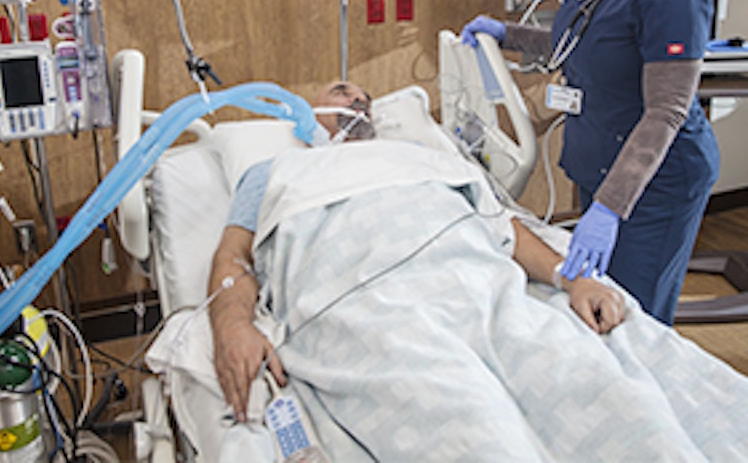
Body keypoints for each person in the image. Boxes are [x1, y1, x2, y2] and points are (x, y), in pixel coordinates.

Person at [208, 79, 625, 423]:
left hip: (472, 284)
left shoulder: (420, 155)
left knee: (592, 386)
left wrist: (571, 279)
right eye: (342, 91)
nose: (358, 100)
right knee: (460, 410)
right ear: (306, 108)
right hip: (367, 301)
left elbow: (501, 225)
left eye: (364, 98)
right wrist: (232, 326)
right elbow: (234, 256)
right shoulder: (277, 171)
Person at [461, 0, 720, 325]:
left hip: (656, 181)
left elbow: (667, 111)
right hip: (601, 164)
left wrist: (609, 209)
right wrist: (506, 34)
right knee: (594, 299)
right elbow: (580, 43)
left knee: (633, 318)